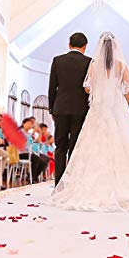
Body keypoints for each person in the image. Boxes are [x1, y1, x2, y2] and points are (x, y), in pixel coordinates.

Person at [50, 31, 129, 212]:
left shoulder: (93, 64)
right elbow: (128, 89)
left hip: (95, 109)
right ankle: (124, 183)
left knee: (83, 146)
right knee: (122, 144)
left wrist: (97, 92)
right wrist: (123, 105)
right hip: (116, 108)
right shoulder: (121, 65)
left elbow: (86, 87)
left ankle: (68, 184)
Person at [49, 32, 92, 186]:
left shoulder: (57, 60)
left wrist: (51, 109)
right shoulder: (89, 62)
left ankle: (58, 183)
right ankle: (71, 184)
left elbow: (52, 87)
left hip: (60, 108)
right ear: (85, 47)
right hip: (80, 110)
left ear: (69, 45)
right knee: (74, 146)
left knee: (60, 146)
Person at [19, 117, 49, 183]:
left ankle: (34, 176)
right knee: (36, 158)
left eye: (31, 124)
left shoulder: (29, 134)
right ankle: (31, 177)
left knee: (44, 161)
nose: (30, 125)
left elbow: (37, 141)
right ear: (23, 123)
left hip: (29, 152)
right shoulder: (20, 132)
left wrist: (39, 132)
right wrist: (33, 132)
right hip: (21, 153)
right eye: (28, 123)